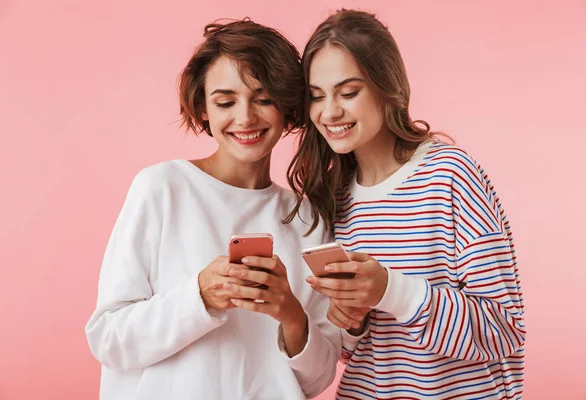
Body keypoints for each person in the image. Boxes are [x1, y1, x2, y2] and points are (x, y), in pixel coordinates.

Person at [85, 19, 340, 400]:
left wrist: (289, 311)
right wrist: (198, 297)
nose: (245, 118)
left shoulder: (306, 221)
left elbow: (317, 380)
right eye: (225, 102)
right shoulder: (163, 188)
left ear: (288, 106)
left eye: (264, 98)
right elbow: (109, 338)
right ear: (203, 108)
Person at [287, 9, 526, 400]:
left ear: (387, 87)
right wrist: (352, 322)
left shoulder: (450, 175)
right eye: (316, 96)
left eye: (348, 92)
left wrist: (390, 290)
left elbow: (504, 330)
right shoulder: (333, 196)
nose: (329, 112)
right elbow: (357, 351)